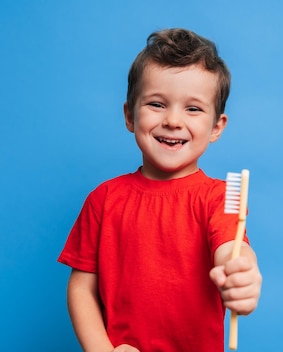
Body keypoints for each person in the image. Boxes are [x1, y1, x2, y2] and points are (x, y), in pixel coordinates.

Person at [58, 28, 262, 352]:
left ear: (216, 127)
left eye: (193, 109)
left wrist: (243, 273)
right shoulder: (104, 199)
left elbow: (230, 249)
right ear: (129, 115)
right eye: (156, 104)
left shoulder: (218, 198)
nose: (173, 121)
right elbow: (81, 288)